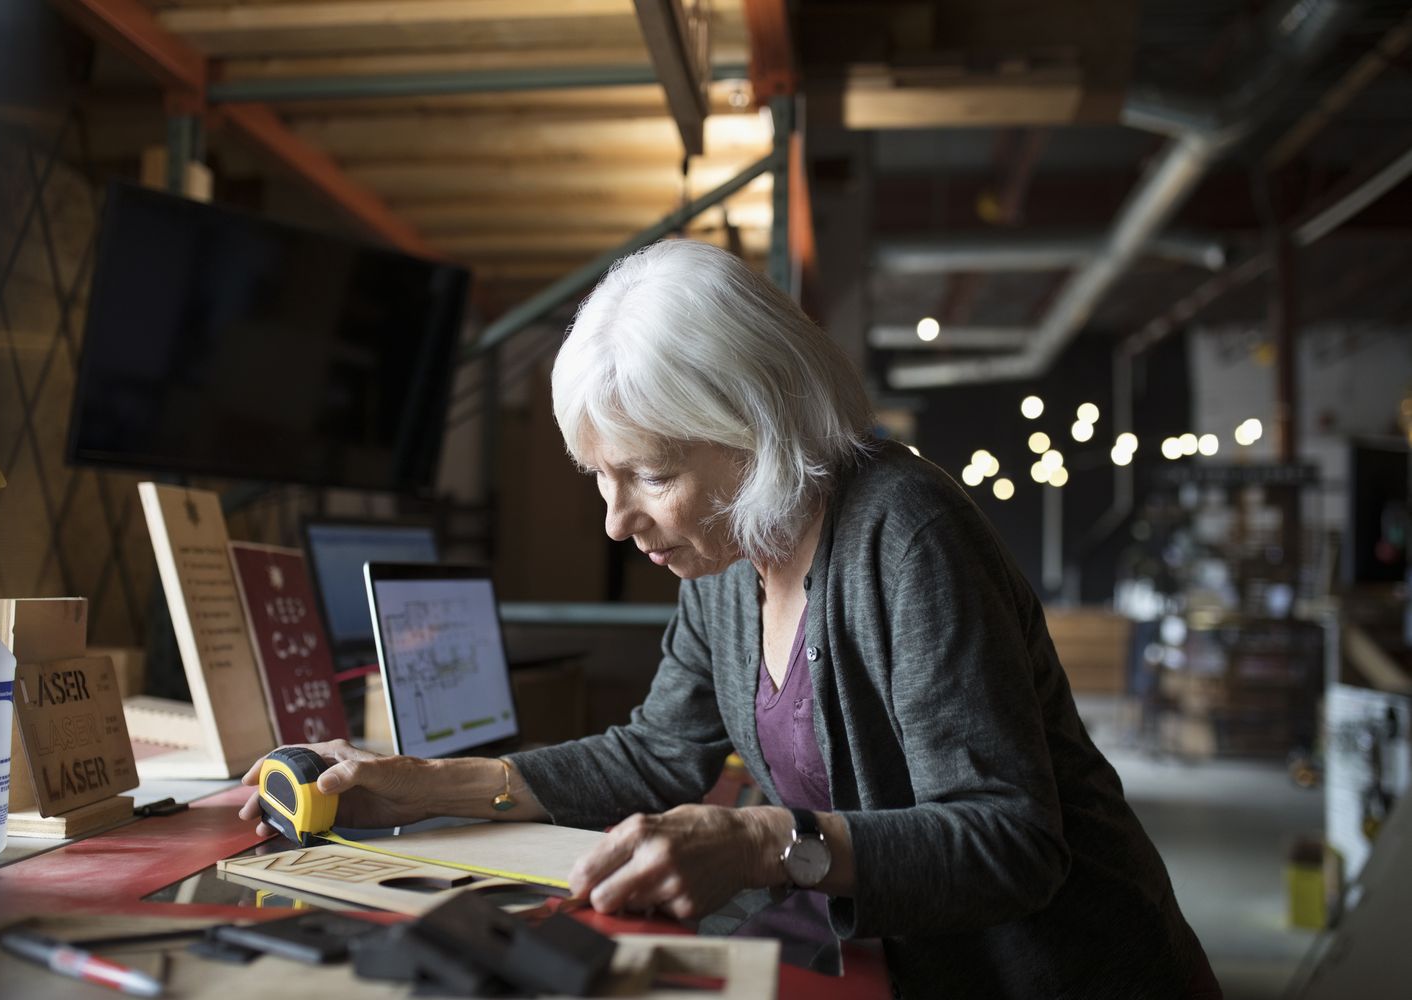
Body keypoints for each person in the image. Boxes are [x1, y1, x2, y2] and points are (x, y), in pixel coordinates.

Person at [240, 239, 1218, 998]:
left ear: (759, 427)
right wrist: (412, 786)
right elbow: (654, 756)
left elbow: (1010, 839)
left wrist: (762, 841)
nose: (617, 522)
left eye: (650, 475)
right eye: (601, 479)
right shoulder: (726, 556)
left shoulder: (907, 537)